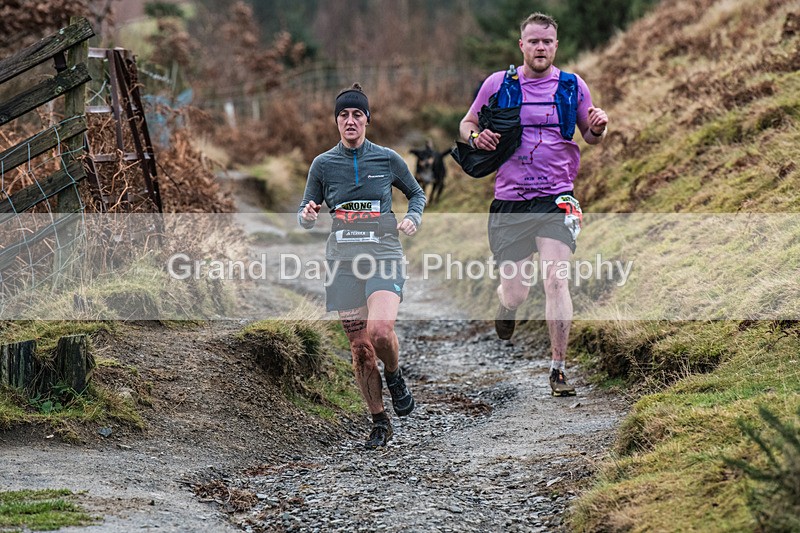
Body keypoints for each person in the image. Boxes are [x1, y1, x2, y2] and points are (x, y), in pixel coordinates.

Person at [458, 12, 608, 396]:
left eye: (547, 41)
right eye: (533, 41)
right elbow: (467, 123)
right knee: (517, 292)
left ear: (556, 46)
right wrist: (477, 140)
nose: (540, 47)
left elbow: (590, 136)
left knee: (556, 279)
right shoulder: (499, 84)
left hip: (557, 199)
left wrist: (599, 126)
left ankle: (558, 369)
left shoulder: (573, 86)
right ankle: (505, 307)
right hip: (510, 203)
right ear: (521, 45)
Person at [298, 83, 426, 448]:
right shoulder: (323, 164)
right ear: (336, 121)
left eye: (357, 114)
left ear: (367, 119)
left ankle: (395, 373)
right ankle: (379, 420)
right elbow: (306, 211)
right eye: (343, 115)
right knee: (359, 348)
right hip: (342, 262)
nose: (350, 121)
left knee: (381, 333)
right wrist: (307, 215)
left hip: (384, 254)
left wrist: (413, 218)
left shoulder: (386, 159)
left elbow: (416, 193)